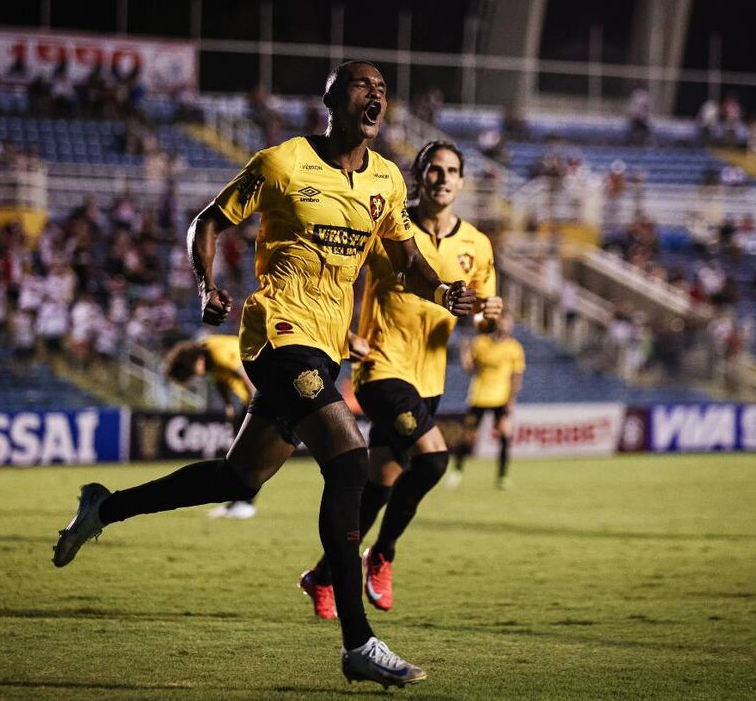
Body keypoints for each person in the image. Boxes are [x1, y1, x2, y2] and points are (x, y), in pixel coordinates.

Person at [51, 60, 476, 688]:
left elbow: (406, 255)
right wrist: (207, 286)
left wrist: (441, 290)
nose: (377, 94)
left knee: (237, 477)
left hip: (326, 346)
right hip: (276, 334)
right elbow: (208, 222)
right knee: (352, 460)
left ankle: (104, 508)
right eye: (363, 85)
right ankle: (358, 643)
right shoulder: (281, 164)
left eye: (382, 89)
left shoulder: (386, 178)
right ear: (331, 98)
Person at [299, 141, 500, 619]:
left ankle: (322, 576)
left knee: (379, 486)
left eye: (453, 171)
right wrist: (343, 334)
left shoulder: (477, 244)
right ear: (419, 175)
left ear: (463, 182)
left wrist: (490, 314)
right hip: (381, 369)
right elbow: (329, 278)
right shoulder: (388, 227)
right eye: (435, 170)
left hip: (430, 379)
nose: (444, 178)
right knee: (434, 460)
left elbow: (483, 316)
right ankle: (383, 554)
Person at [164, 334, 259, 519]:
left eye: (191, 373)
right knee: (238, 453)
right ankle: (236, 502)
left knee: (251, 454)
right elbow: (219, 380)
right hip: (248, 401)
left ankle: (246, 504)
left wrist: (257, 408)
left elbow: (248, 375)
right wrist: (228, 405)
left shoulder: (219, 352)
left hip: (258, 397)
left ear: (196, 361)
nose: (195, 376)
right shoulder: (207, 356)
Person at [448, 313, 526, 490]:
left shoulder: (514, 348)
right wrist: (464, 351)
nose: (504, 328)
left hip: (501, 398)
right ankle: (457, 471)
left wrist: (511, 399)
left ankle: (502, 477)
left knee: (505, 435)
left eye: (507, 325)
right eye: (502, 324)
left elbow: (517, 376)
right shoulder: (481, 343)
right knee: (468, 438)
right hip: (479, 396)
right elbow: (470, 369)